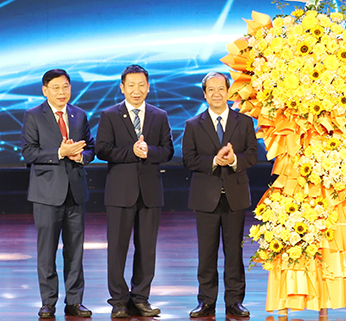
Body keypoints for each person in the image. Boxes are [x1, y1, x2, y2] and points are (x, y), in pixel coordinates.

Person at [96, 65, 174, 318]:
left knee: (147, 249)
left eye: (141, 85)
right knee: (117, 249)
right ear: (122, 88)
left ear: (148, 87)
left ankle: (140, 298)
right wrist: (131, 151)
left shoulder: (159, 115)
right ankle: (118, 300)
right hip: (120, 192)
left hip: (150, 193)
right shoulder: (109, 115)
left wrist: (149, 151)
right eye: (131, 85)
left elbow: (168, 151)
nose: (136, 90)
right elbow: (102, 150)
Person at [182, 72, 259, 318]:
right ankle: (206, 301)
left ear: (229, 92)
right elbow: (189, 159)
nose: (216, 94)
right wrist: (214, 160)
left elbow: (252, 155)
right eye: (211, 90)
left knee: (234, 252)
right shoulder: (193, 124)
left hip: (234, 197)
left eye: (221, 89)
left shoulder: (244, 122)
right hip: (205, 198)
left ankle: (234, 301)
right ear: (204, 94)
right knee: (206, 253)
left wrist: (234, 159)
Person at [21, 68, 95, 319]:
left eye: (65, 87)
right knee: (47, 251)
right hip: (46, 194)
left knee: (75, 251)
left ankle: (74, 301)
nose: (62, 92)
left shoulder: (79, 115)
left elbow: (91, 148)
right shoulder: (33, 116)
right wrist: (60, 153)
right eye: (56, 88)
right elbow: (29, 153)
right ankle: (48, 302)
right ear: (45, 91)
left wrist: (81, 156)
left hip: (76, 192)